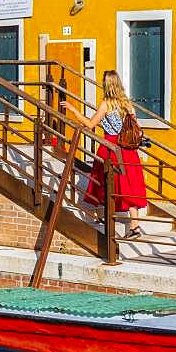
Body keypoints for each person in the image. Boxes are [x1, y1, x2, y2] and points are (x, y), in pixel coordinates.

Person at [62, 70, 147, 239]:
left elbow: (90, 124)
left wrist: (73, 110)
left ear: (106, 85)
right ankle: (134, 225)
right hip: (128, 149)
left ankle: (105, 216)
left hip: (110, 147)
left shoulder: (106, 104)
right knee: (127, 184)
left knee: (105, 182)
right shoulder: (127, 104)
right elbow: (136, 127)